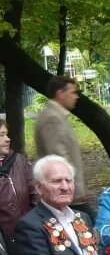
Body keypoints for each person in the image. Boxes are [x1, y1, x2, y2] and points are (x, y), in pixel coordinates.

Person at [34, 76, 90, 212]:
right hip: (67, 196)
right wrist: (76, 191)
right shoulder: (52, 118)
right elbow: (59, 160)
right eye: (73, 92)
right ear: (60, 94)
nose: (76, 96)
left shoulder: (55, 116)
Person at [0, 117, 38, 245]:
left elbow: (36, 194)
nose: (7, 139)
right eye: (1, 135)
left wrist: (33, 224)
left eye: (6, 134)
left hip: (29, 235)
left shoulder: (19, 161)